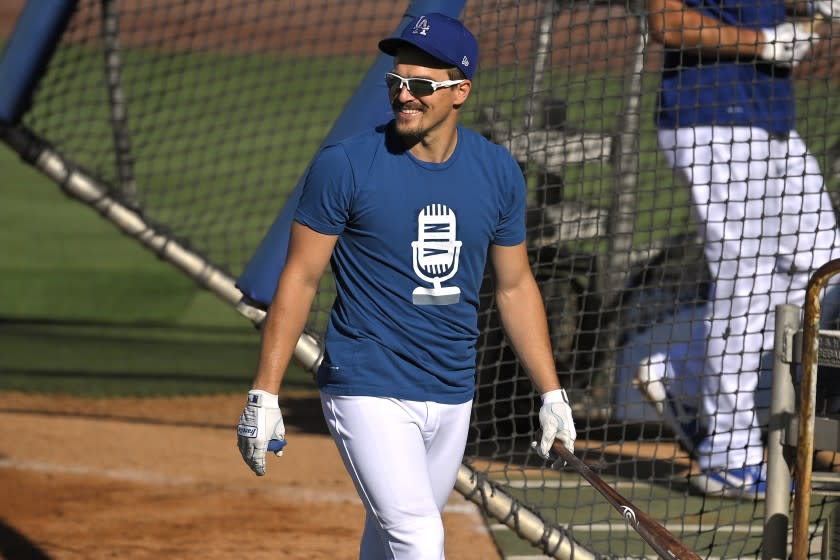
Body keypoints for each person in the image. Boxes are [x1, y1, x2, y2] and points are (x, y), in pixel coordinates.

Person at [235, 12, 576, 558]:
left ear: (460, 90)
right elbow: (299, 277)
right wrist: (264, 391)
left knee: (389, 537)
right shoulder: (344, 166)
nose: (404, 96)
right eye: (396, 83)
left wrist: (551, 391)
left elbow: (514, 287)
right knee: (418, 535)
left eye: (420, 86)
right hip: (367, 383)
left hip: (451, 391)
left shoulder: (497, 172)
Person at [640, 0, 840, 498]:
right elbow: (665, 20)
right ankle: (729, 454)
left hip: (770, 119)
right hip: (711, 119)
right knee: (746, 280)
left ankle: (682, 373)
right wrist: (764, 43)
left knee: (823, 265)